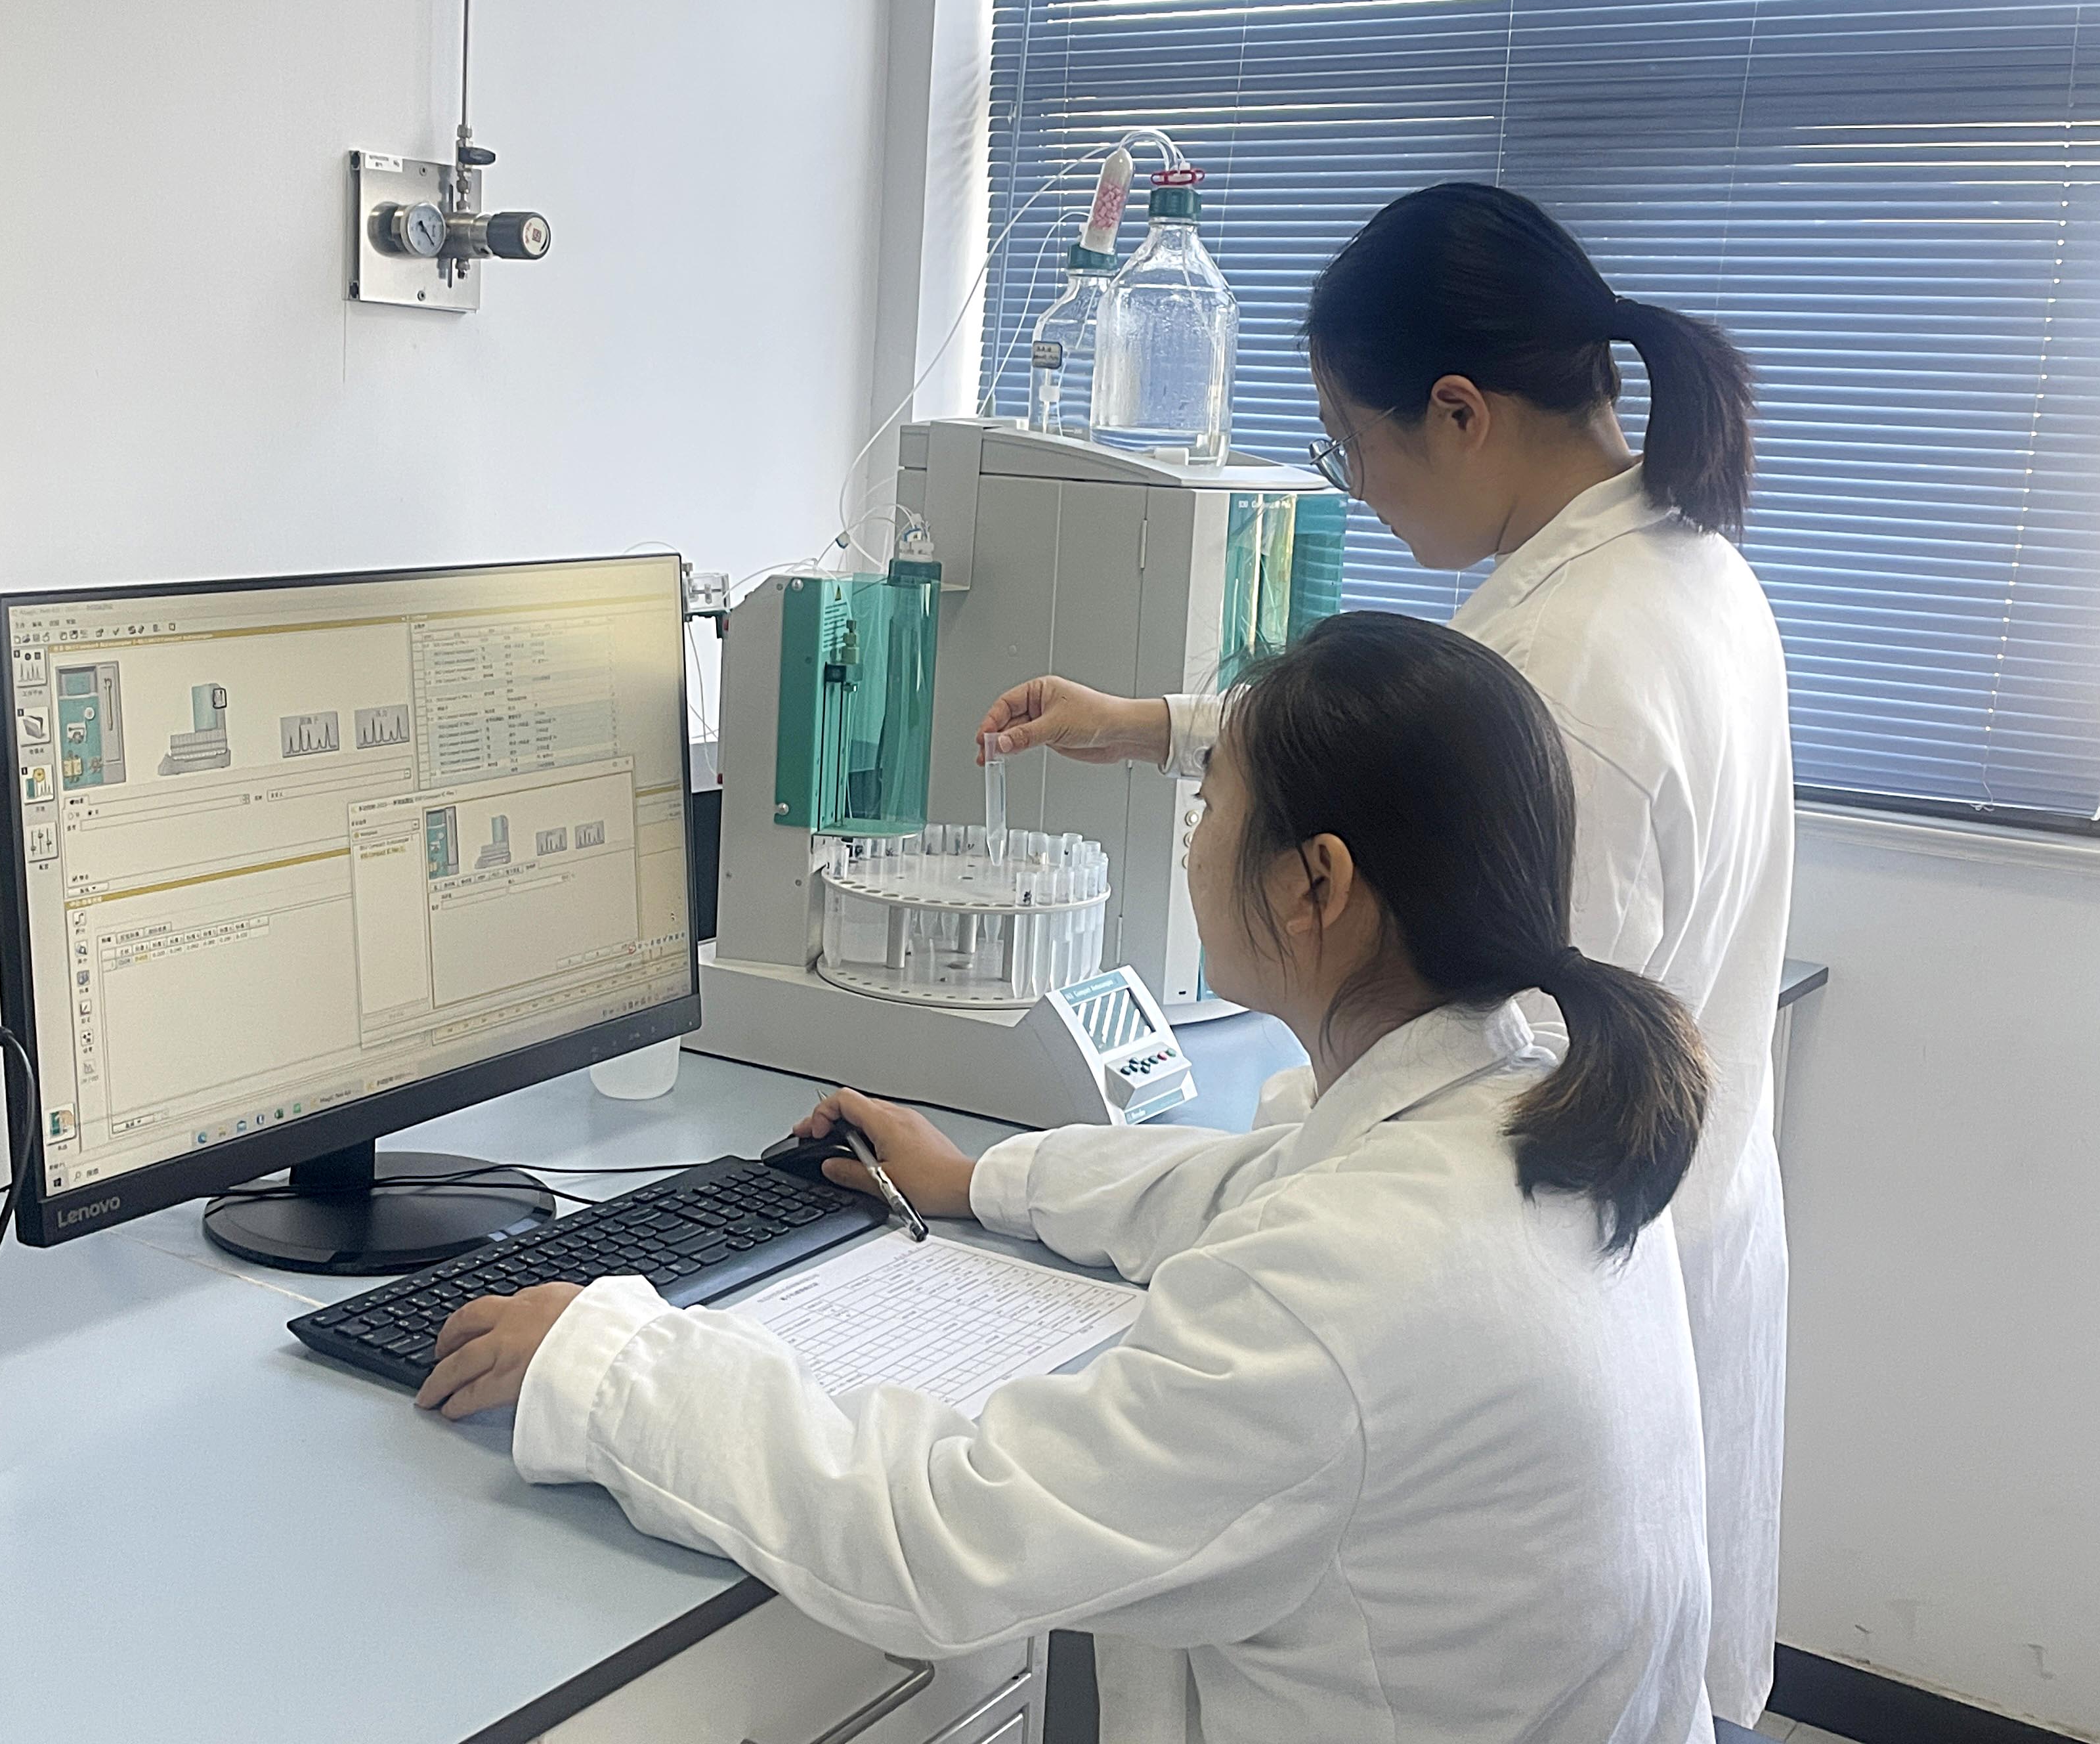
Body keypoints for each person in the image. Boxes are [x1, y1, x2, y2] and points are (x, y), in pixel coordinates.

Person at [416, 612, 1719, 1743]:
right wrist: (979, 1180)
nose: (1194, 840)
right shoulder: (1538, 1107)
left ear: (1315, 884)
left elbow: (944, 1537)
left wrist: (610, 1360)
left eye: (1212, 806)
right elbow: (1259, 1190)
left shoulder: (1349, 1293)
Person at [975, 182, 1794, 1727]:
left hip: (1530, 1342)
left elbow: (1443, 1077)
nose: (1353, 486)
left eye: (1350, 444)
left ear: (1460, 412)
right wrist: (1162, 727)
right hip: (1620, 1275)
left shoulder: (1578, 670)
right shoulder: (1676, 564)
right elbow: (1428, 765)